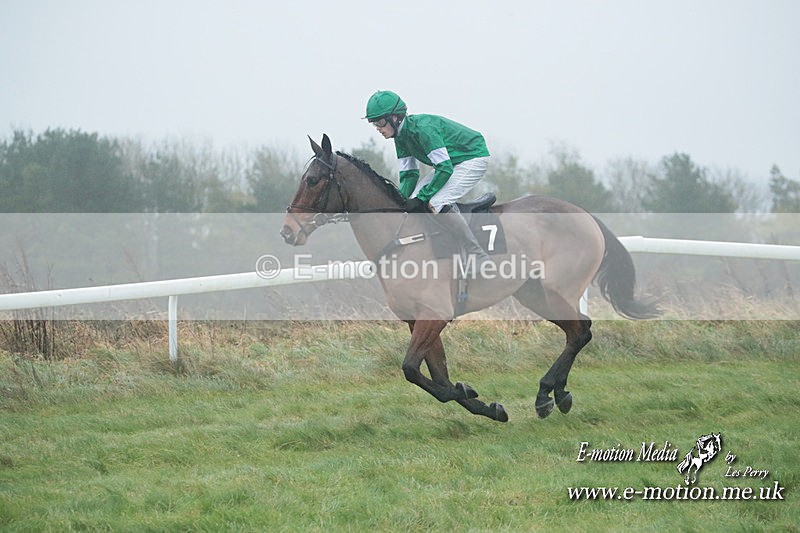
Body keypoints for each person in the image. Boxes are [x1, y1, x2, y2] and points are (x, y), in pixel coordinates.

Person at [363, 90, 492, 267]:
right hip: (452, 162)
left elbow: (444, 168)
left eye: (380, 122)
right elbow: (409, 175)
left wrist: (423, 197)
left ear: (395, 118)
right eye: (374, 124)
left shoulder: (424, 130)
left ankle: (477, 253)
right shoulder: (400, 137)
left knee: (436, 202)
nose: (378, 128)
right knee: (413, 200)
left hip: (472, 158)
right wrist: (400, 202)